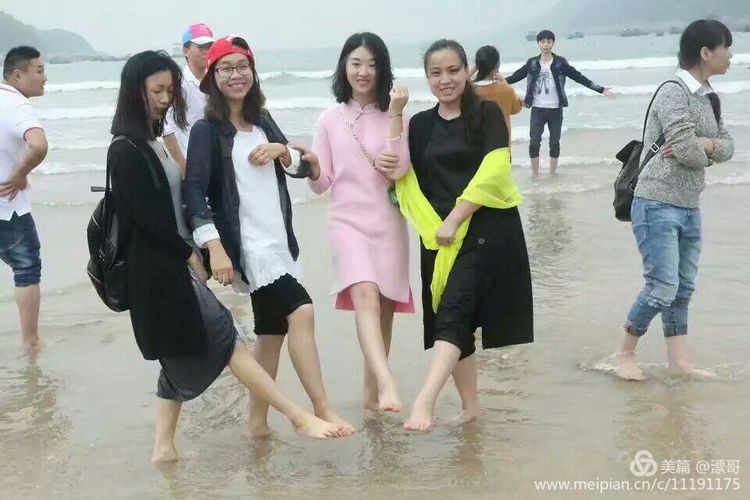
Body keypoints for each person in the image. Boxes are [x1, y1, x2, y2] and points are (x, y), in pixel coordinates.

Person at [107, 51, 347, 463]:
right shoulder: (130, 149)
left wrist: (285, 152)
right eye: (156, 91)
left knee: (197, 353)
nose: (164, 99)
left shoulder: (154, 142)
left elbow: (294, 167)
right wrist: (202, 250)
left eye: (169, 90)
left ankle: (168, 448)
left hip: (195, 261)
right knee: (231, 340)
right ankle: (302, 415)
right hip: (166, 270)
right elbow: (153, 216)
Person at [184, 36, 355, 438]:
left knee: (271, 334)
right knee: (302, 311)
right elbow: (194, 191)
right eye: (225, 69)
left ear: (253, 71)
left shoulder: (261, 119)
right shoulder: (207, 130)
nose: (236, 75)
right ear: (212, 78)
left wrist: (281, 149)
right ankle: (321, 409)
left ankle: (257, 424)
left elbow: (300, 166)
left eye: (242, 66)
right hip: (249, 246)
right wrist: (215, 248)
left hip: (279, 240)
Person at [396, 39, 534, 432]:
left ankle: (424, 401)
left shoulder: (486, 113)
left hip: (483, 228)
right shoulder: (420, 125)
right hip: (438, 237)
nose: (445, 80)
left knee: (454, 312)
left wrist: (455, 218)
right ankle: (471, 407)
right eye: (436, 73)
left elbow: (495, 169)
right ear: (427, 78)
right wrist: (393, 115)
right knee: (454, 320)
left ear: (467, 71)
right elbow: (401, 174)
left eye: (453, 70)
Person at [616, 20, 734, 381]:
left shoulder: (709, 96)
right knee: (661, 288)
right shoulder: (673, 92)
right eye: (726, 48)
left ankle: (679, 362)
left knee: (682, 289)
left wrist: (706, 144)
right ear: (706, 52)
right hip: (655, 201)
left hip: (689, 204)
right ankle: (624, 354)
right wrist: (703, 150)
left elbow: (728, 146)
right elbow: (685, 150)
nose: (730, 55)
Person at [302, 32, 412, 414]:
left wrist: (395, 114)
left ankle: (371, 397)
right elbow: (322, 184)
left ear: (382, 69)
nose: (364, 71)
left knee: (385, 309)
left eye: (372, 64)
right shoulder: (329, 119)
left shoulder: (396, 113)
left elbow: (400, 168)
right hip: (346, 221)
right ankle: (387, 383)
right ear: (344, 67)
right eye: (356, 63)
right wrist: (312, 168)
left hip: (388, 221)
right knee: (364, 293)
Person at [506, 30, 614, 175]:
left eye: (548, 41)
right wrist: (496, 81)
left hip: (555, 109)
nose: (546, 45)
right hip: (537, 109)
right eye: (542, 42)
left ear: (553, 43)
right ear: (538, 43)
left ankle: (552, 174)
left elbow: (579, 77)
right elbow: (515, 76)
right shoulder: (532, 63)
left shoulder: (560, 63)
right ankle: (535, 175)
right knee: (534, 143)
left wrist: (600, 89)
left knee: (554, 143)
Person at [0, 46, 48, 352]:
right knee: (26, 268)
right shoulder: (17, 105)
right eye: (39, 70)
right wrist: (20, 173)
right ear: (18, 75)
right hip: (8, 207)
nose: (45, 77)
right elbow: (39, 145)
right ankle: (31, 341)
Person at [163, 23, 214, 175]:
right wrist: (182, 165)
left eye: (209, 46)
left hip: (216, 161)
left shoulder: (217, 80)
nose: (206, 51)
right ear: (185, 50)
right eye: (201, 47)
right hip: (190, 162)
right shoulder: (178, 84)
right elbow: (166, 127)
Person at [469, 45, 523, 143]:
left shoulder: (469, 90)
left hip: (476, 145)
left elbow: (458, 83)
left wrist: (474, 68)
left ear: (477, 65)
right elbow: (517, 107)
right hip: (502, 145)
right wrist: (505, 83)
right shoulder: (506, 89)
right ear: (497, 65)